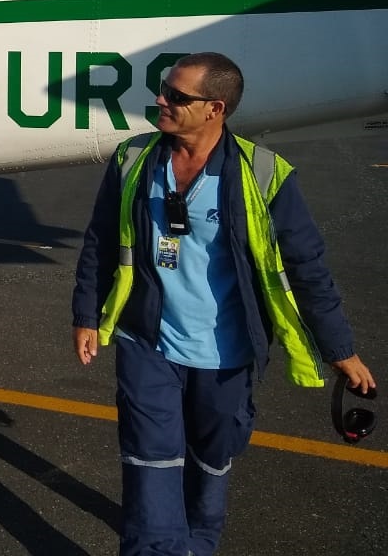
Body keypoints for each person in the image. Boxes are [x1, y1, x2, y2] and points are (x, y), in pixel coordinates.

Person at [71, 52, 375, 556]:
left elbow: (308, 268)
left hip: (229, 355)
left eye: (174, 95)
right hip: (148, 340)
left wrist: (340, 349)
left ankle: (198, 542)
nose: (160, 100)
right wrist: (86, 313)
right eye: (163, 89)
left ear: (215, 109)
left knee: (213, 458)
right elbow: (101, 241)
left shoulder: (264, 175)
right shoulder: (134, 159)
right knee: (150, 458)